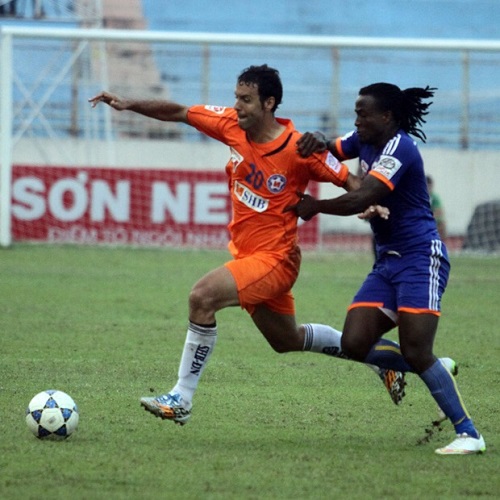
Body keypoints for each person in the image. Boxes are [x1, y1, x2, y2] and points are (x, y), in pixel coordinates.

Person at [88, 65, 406, 427]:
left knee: (202, 296)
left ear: (269, 103)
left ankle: (181, 397)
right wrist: (128, 104)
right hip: (248, 255)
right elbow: (178, 112)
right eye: (236, 97)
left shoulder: (300, 148)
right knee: (286, 339)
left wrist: (373, 204)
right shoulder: (229, 125)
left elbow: (351, 180)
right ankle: (380, 360)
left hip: (277, 260)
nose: (236, 106)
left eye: (246, 100)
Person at [290, 82, 485, 455]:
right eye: (356, 112)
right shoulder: (362, 137)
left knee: (415, 348)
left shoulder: (401, 147)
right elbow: (329, 148)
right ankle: (434, 366)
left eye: (363, 113)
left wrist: (316, 207)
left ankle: (469, 433)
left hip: (419, 258)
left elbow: (364, 196)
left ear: (387, 116)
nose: (357, 119)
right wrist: (316, 138)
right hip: (387, 262)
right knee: (354, 342)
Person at [426, 175, 447, 239]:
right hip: (424, 220)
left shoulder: (434, 197)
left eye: (430, 186)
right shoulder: (420, 197)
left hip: (433, 221)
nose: (429, 189)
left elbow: (439, 211)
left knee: (442, 224)